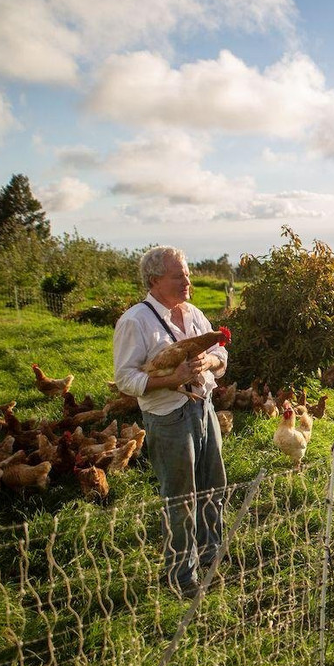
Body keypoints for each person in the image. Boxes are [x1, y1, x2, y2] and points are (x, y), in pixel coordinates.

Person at [114, 247, 229, 599]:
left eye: (188, 273)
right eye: (178, 276)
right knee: (180, 499)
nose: (187, 280)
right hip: (169, 416)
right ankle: (182, 577)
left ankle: (211, 560)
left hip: (203, 407)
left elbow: (221, 355)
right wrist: (172, 378)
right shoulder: (136, 321)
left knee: (214, 487)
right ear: (155, 281)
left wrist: (207, 364)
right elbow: (125, 380)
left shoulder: (193, 313)